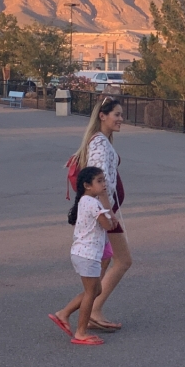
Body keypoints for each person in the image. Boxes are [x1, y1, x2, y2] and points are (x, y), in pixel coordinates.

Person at [66, 95, 129, 330]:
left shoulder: (101, 141)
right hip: (104, 213)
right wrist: (107, 211)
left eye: (121, 115)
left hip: (103, 211)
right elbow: (99, 178)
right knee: (122, 260)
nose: (121, 119)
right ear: (102, 116)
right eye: (117, 115)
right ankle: (91, 309)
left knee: (106, 263)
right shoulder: (100, 143)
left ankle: (86, 310)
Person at [50, 166, 116, 345]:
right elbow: (108, 225)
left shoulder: (86, 201)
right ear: (87, 185)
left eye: (104, 180)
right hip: (87, 255)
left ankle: (63, 313)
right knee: (90, 292)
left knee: (96, 290)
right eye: (99, 181)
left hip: (83, 253)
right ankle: (80, 332)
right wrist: (109, 216)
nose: (104, 184)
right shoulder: (93, 203)